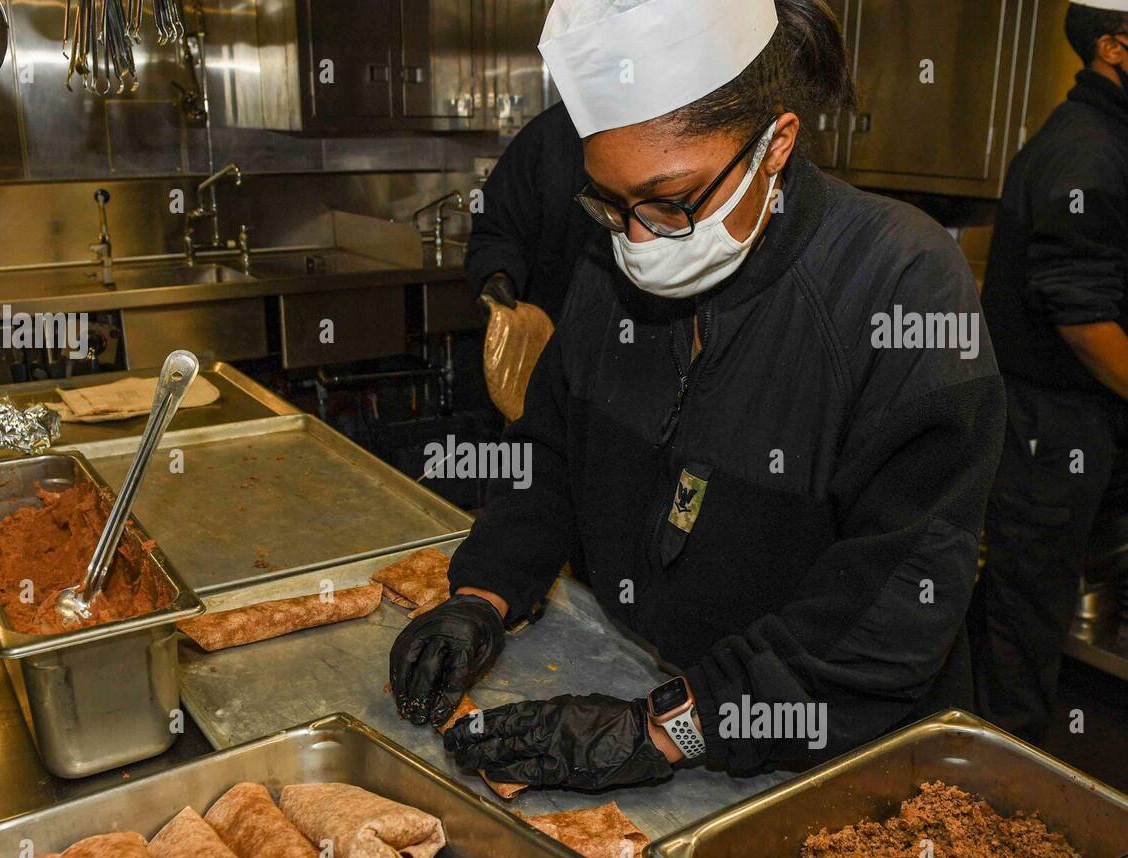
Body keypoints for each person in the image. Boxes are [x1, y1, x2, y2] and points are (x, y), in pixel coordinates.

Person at [391, 0, 1006, 792]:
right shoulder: (610, 268)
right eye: (611, 205)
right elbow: (551, 456)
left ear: (775, 143)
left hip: (836, 759)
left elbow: (891, 606)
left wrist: (665, 729)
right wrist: (483, 592)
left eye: (673, 201)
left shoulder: (901, 285)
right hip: (652, 683)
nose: (639, 243)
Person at [974, 1, 1128, 743]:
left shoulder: (1108, 139)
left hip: (1074, 419)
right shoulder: (1087, 151)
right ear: (1115, 47)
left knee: (1020, 599)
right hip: (1050, 423)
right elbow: (1083, 318)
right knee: (1023, 614)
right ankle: (1001, 784)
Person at [464, 102, 595, 321]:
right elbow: (498, 230)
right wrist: (497, 274)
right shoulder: (550, 135)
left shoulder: (668, 128)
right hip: (553, 329)